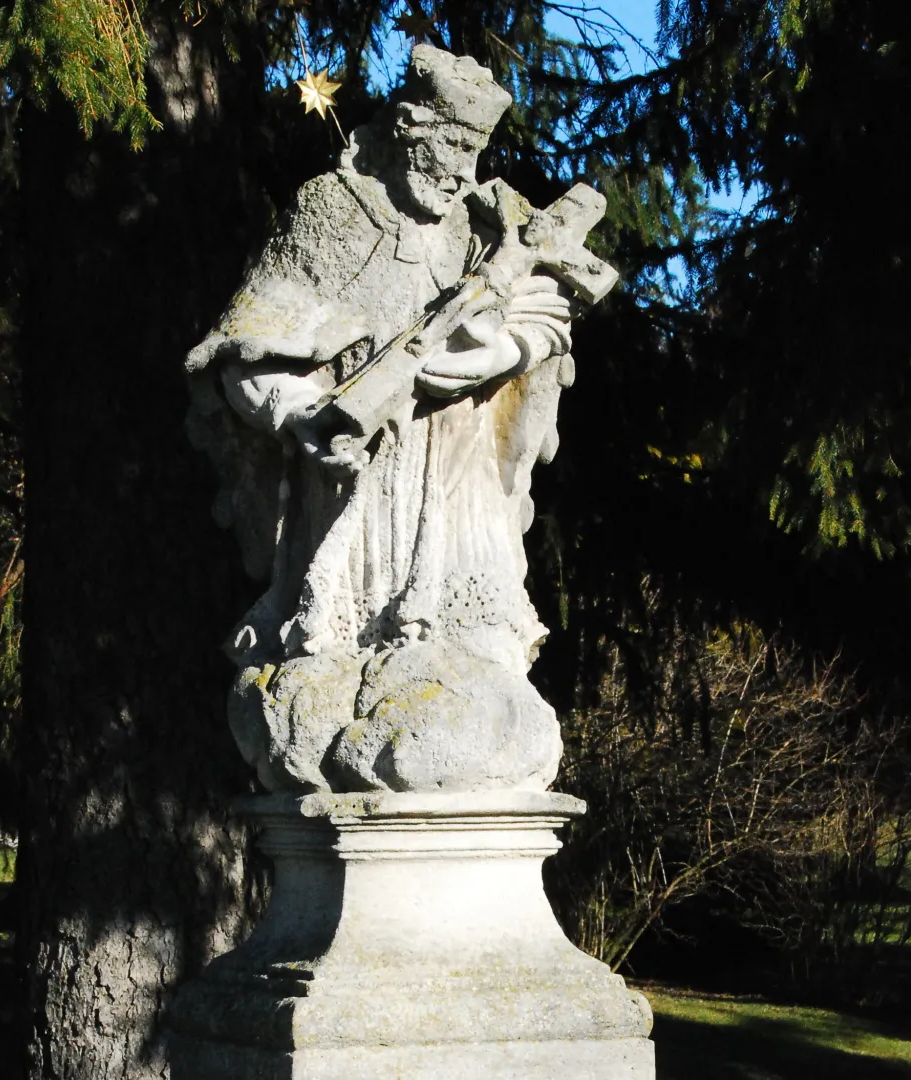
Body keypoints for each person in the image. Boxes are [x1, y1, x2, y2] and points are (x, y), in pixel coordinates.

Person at [187, 44, 614, 793]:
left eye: (470, 152)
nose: (455, 169)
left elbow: (549, 310)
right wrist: (299, 416)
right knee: (325, 674)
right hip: (357, 476)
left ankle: (454, 690)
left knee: (480, 663)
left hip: (460, 479)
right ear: (404, 128)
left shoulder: (491, 223)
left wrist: (500, 351)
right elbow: (248, 353)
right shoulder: (333, 209)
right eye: (445, 145)